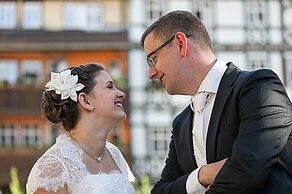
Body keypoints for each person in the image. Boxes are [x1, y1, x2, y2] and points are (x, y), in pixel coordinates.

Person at [141, 10, 292, 194]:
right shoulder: (181, 124)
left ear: (180, 44)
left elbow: (246, 174)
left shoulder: (259, 87)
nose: (151, 74)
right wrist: (201, 176)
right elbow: (160, 191)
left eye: (153, 59)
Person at [26, 63, 135, 194]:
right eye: (110, 86)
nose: (121, 94)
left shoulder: (114, 154)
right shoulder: (52, 168)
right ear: (85, 100)